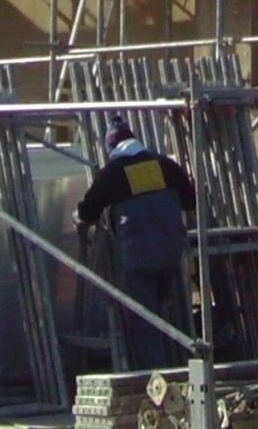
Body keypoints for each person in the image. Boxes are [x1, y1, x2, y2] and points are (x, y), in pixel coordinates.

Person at [76, 119, 198, 368]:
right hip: (172, 254)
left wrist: (79, 219)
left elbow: (87, 212)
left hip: (139, 258)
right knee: (160, 313)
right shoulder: (166, 165)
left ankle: (159, 379)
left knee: (144, 322)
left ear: (112, 149)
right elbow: (190, 201)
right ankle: (174, 369)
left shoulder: (112, 174)